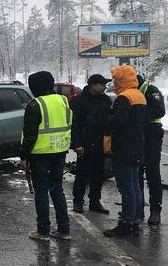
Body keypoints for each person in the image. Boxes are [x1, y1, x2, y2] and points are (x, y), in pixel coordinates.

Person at [20, 71, 72, 242]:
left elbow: (30, 135)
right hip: (60, 151)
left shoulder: (35, 105)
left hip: (40, 154)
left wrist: (24, 157)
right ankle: (64, 229)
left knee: (41, 191)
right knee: (57, 189)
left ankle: (43, 231)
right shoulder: (63, 100)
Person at [103, 65, 147, 238]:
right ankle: (135, 221)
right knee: (135, 185)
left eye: (116, 80)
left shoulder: (124, 98)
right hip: (137, 145)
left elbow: (119, 122)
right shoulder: (139, 95)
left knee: (126, 187)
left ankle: (126, 223)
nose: (114, 83)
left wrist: (106, 118)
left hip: (124, 147)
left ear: (122, 80)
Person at [70, 74, 113, 214]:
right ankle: (78, 201)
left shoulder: (106, 100)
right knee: (82, 174)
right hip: (85, 143)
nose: (105, 87)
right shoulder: (79, 100)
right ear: (92, 85)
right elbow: (74, 124)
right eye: (102, 84)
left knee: (98, 174)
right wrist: (77, 143)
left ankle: (95, 201)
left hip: (100, 143)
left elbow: (109, 120)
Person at [137, 75, 166, 225]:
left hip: (152, 134)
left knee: (152, 173)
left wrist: (137, 112)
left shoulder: (151, 91)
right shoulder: (133, 91)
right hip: (138, 135)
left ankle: (155, 210)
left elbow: (159, 111)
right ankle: (138, 208)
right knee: (137, 173)